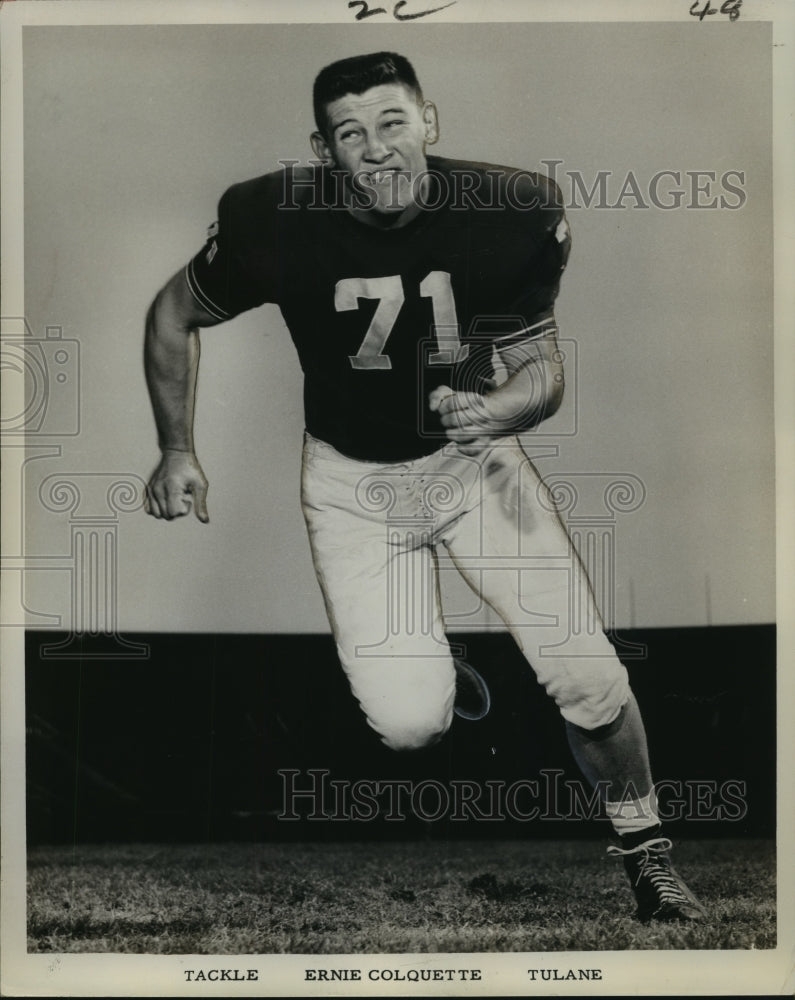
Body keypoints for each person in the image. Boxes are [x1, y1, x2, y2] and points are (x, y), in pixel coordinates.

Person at [144, 51, 705, 923]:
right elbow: (172, 314)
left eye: (391, 122)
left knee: (587, 675)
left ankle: (647, 855)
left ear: (428, 122)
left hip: (471, 468)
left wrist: (497, 414)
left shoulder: (509, 209)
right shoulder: (271, 218)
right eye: (349, 133)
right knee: (410, 724)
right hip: (353, 485)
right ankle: (444, 664)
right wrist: (176, 448)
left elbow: (540, 372)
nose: (374, 148)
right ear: (323, 148)